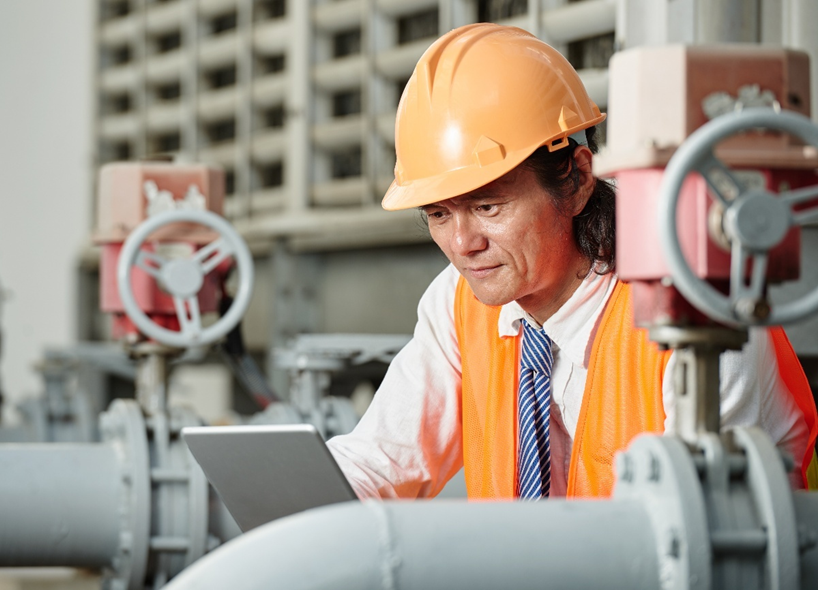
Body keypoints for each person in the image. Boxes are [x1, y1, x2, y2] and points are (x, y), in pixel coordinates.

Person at [326, 23, 818, 500]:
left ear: (579, 178)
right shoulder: (458, 303)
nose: (462, 243)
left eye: (487, 207)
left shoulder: (691, 300)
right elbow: (378, 466)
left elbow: (701, 536)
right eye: (438, 213)